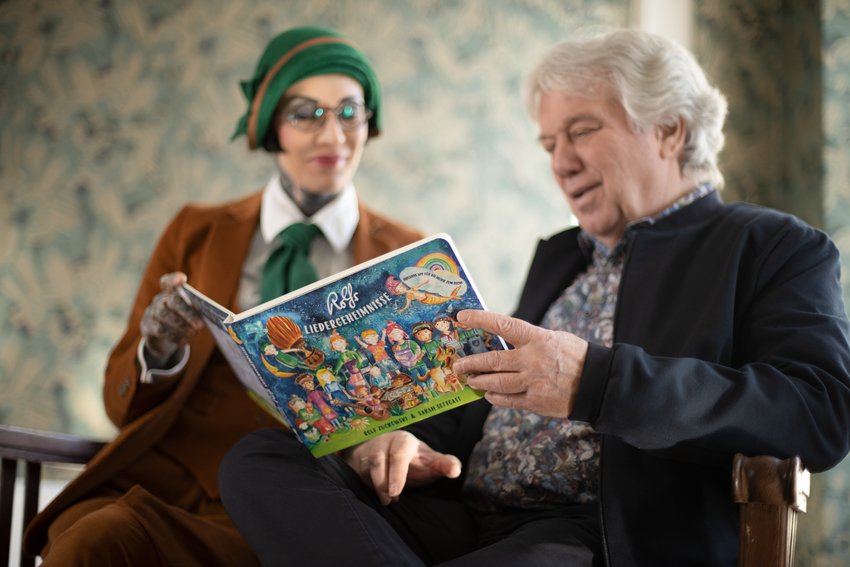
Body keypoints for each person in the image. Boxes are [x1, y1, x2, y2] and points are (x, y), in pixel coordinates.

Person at [218, 28, 850, 566]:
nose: (562, 163)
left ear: (668, 129)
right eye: (550, 144)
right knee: (260, 457)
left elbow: (821, 413)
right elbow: (481, 398)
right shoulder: (559, 254)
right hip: (465, 506)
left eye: (582, 131)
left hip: (591, 530)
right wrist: (403, 438)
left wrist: (595, 382)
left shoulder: (771, 245)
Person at [23, 26, 422, 566]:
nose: (333, 136)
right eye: (307, 113)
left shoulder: (408, 254)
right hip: (160, 479)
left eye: (350, 112)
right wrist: (159, 350)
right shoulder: (195, 230)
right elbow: (120, 404)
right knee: (93, 537)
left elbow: (418, 403)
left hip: (291, 501)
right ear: (270, 127)